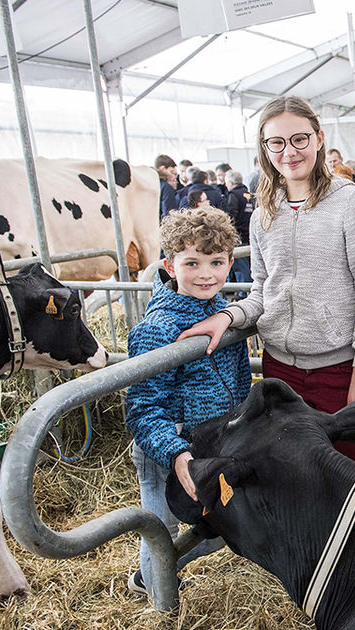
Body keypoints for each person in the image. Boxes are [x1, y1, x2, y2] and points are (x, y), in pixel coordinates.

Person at [176, 95, 355, 468]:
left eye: (299, 139)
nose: (289, 151)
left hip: (338, 371)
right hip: (279, 371)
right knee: (291, 477)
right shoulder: (263, 213)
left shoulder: (350, 203)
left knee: (345, 473)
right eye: (277, 142)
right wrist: (228, 316)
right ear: (264, 149)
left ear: (318, 139)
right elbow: (262, 289)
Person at [124, 205, 250, 597]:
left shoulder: (225, 316)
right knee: (160, 531)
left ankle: (156, 574)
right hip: (166, 451)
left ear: (230, 262)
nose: (206, 274)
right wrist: (177, 454)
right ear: (169, 265)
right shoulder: (157, 329)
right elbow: (142, 409)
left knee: (213, 530)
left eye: (216, 262)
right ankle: (156, 591)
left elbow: (241, 381)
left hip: (209, 442)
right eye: (191, 263)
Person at [224, 170, 252, 285]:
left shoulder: (233, 196)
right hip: (250, 233)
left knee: (241, 266)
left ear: (230, 182)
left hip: (239, 235)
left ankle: (243, 293)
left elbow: (231, 215)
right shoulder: (249, 194)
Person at [154, 154, 178, 219]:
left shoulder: (152, 184)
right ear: (163, 168)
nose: (173, 176)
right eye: (171, 172)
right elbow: (169, 214)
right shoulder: (166, 187)